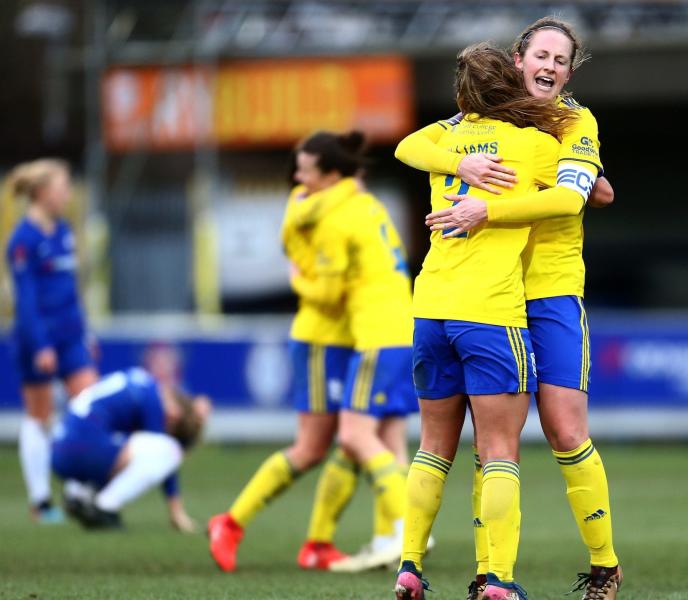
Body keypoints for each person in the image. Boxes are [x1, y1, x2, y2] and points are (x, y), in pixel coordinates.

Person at [394, 18, 621, 600]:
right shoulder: (479, 124)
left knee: (565, 430)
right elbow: (412, 144)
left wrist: (485, 208)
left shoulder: (574, 120)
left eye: (561, 60)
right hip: (492, 295)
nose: (550, 67)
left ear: (571, 71)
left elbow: (571, 197)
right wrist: (460, 166)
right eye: (540, 55)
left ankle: (604, 564)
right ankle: (487, 575)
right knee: (491, 439)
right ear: (518, 60)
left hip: (547, 290)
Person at [207, 131, 418, 574]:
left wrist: (299, 277)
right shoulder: (316, 209)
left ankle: (335, 542)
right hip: (324, 338)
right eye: (297, 168)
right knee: (316, 446)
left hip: (357, 335)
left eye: (305, 169)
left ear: (331, 175)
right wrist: (300, 279)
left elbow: (329, 280)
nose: (297, 178)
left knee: (354, 441)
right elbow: (325, 292)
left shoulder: (338, 207)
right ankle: (230, 523)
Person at [5, 158, 98, 524]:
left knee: (88, 406)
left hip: (71, 337)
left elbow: (71, 291)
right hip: (37, 339)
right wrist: (40, 344)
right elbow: (25, 301)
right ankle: (40, 501)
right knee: (39, 416)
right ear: (42, 193)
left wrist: (85, 332)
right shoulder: (22, 240)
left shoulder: (63, 232)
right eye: (63, 188)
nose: (67, 195)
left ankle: (76, 489)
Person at [50, 367, 210, 530]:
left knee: (123, 446)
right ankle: (104, 507)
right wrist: (176, 511)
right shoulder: (153, 399)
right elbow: (165, 451)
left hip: (59, 449)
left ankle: (78, 494)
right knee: (170, 450)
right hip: (85, 447)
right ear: (174, 414)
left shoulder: (140, 380)